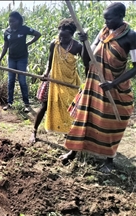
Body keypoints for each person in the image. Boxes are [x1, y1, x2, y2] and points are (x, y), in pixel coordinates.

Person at [60, 2, 136, 172]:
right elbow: (87, 59)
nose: (106, 21)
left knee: (109, 124)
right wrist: (85, 42)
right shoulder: (103, 33)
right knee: (84, 118)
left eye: (109, 18)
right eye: (104, 18)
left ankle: (109, 160)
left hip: (114, 89)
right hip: (93, 84)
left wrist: (113, 84)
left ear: (120, 16)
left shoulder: (131, 36)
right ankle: (74, 151)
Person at [29, 18, 89, 143]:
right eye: (60, 36)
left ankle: (69, 132)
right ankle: (34, 131)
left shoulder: (77, 46)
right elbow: (49, 62)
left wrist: (86, 44)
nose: (61, 39)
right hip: (53, 79)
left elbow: (86, 64)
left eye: (65, 37)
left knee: (71, 108)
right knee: (45, 105)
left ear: (71, 36)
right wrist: (46, 73)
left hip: (70, 81)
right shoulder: (54, 43)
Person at [0, 11, 41, 112]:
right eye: (9, 21)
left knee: (22, 81)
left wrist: (28, 43)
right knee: (11, 81)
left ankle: (26, 104)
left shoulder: (24, 29)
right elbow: (5, 47)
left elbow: (38, 34)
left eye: (12, 21)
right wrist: (0, 59)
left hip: (22, 58)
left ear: (18, 20)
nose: (11, 23)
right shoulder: (7, 32)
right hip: (11, 58)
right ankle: (9, 103)